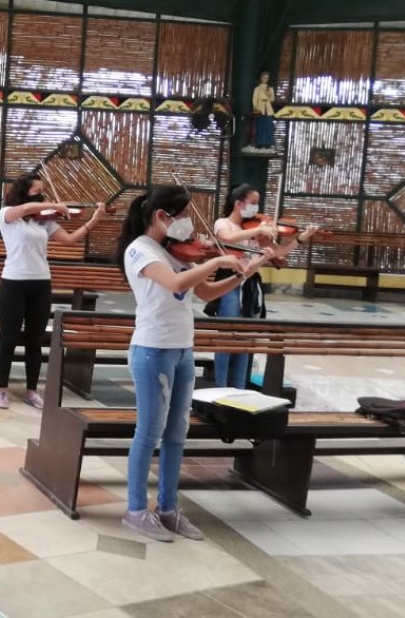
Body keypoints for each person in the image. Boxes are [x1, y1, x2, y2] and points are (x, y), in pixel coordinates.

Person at [116, 185, 270, 542]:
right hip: (153, 350)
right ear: (161, 216)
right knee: (148, 432)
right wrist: (215, 261)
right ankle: (136, 510)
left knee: (176, 435)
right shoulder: (141, 250)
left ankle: (168, 509)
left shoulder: (176, 250)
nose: (189, 222)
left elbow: (204, 293)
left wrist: (244, 271)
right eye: (183, 214)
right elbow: (174, 283)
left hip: (183, 350)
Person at [0, 172, 104, 410]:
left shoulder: (44, 221)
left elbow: (70, 239)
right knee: (9, 338)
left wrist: (94, 219)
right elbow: (22, 210)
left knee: (35, 340)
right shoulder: (7, 215)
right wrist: (53, 204)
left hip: (41, 283)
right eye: (37, 191)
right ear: (24, 192)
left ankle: (32, 391)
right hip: (13, 282)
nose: (42, 195)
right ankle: (2, 390)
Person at [210, 184, 318, 388]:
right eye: (253, 203)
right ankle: (219, 386)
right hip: (230, 281)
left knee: (247, 338)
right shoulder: (223, 223)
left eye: (258, 203)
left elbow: (278, 252)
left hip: (251, 282)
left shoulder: (254, 229)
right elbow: (226, 238)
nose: (256, 208)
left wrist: (301, 239)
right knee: (226, 336)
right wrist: (259, 229)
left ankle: (239, 386)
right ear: (238, 203)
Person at [252, 71, 275, 149]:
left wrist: (269, 94)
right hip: (260, 108)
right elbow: (254, 99)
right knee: (260, 126)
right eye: (264, 77)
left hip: (268, 109)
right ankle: (260, 143)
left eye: (267, 78)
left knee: (269, 126)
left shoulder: (270, 88)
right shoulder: (257, 88)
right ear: (261, 78)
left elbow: (272, 99)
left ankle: (269, 143)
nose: (266, 79)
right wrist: (255, 107)